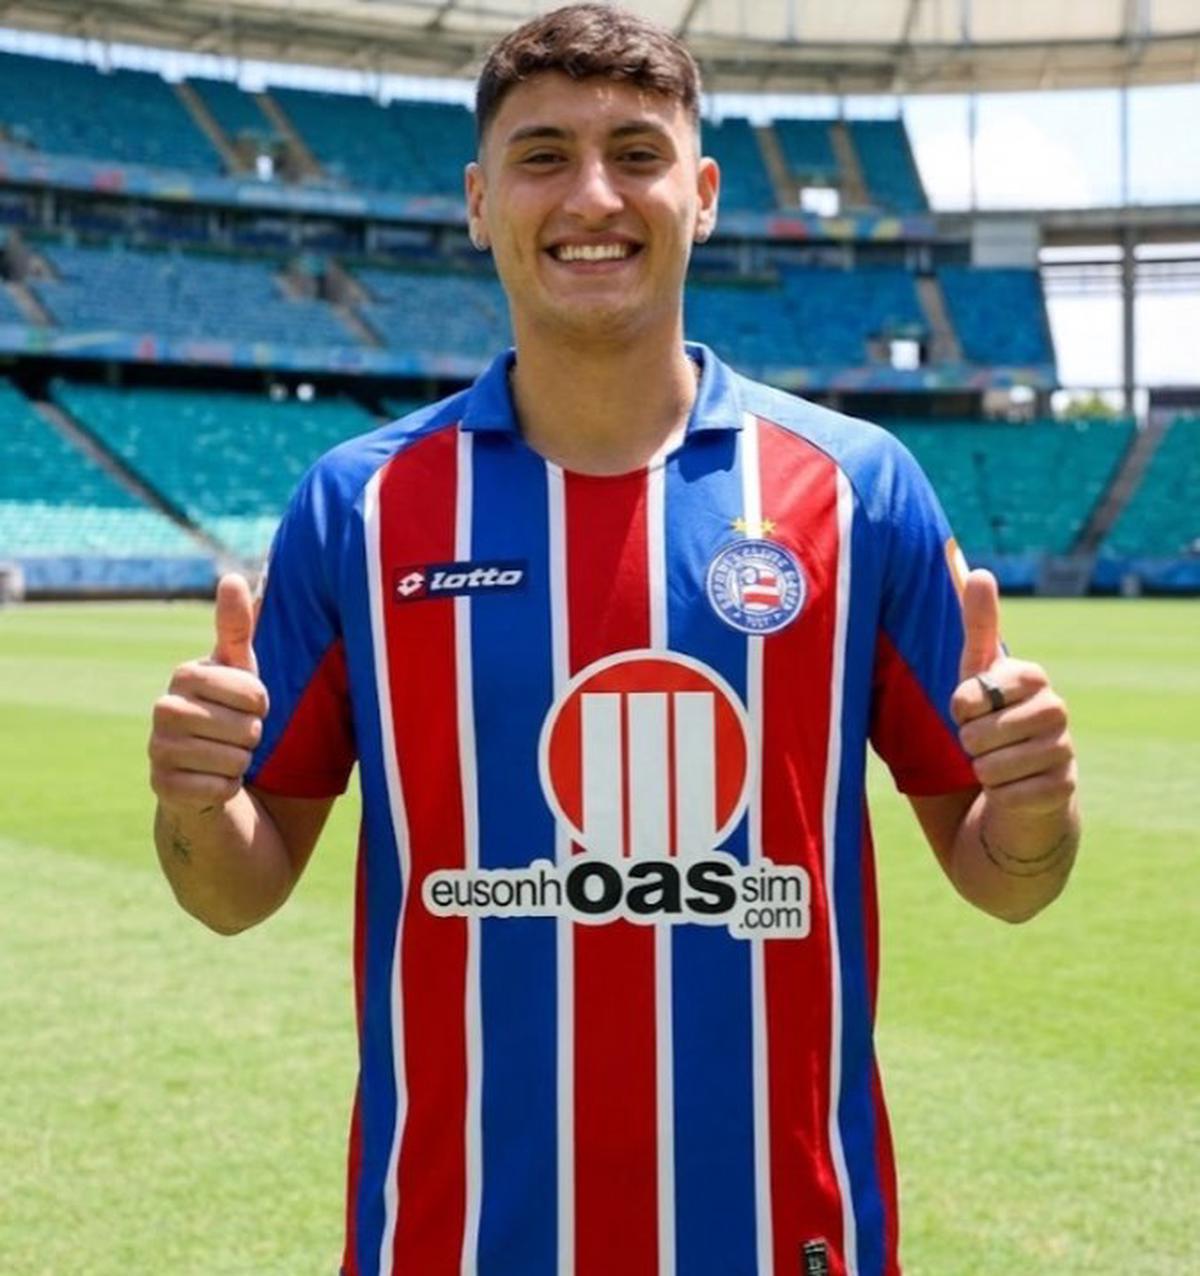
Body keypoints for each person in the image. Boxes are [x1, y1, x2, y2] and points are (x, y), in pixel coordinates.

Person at [147, 6, 1080, 1274]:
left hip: (782, 1236)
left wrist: (1034, 807)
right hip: (454, 1240)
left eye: (638, 153)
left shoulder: (856, 490)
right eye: (543, 156)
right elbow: (233, 889)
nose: (593, 195)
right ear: (480, 202)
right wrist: (196, 802)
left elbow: (1007, 875)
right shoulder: (359, 506)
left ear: (703, 195)